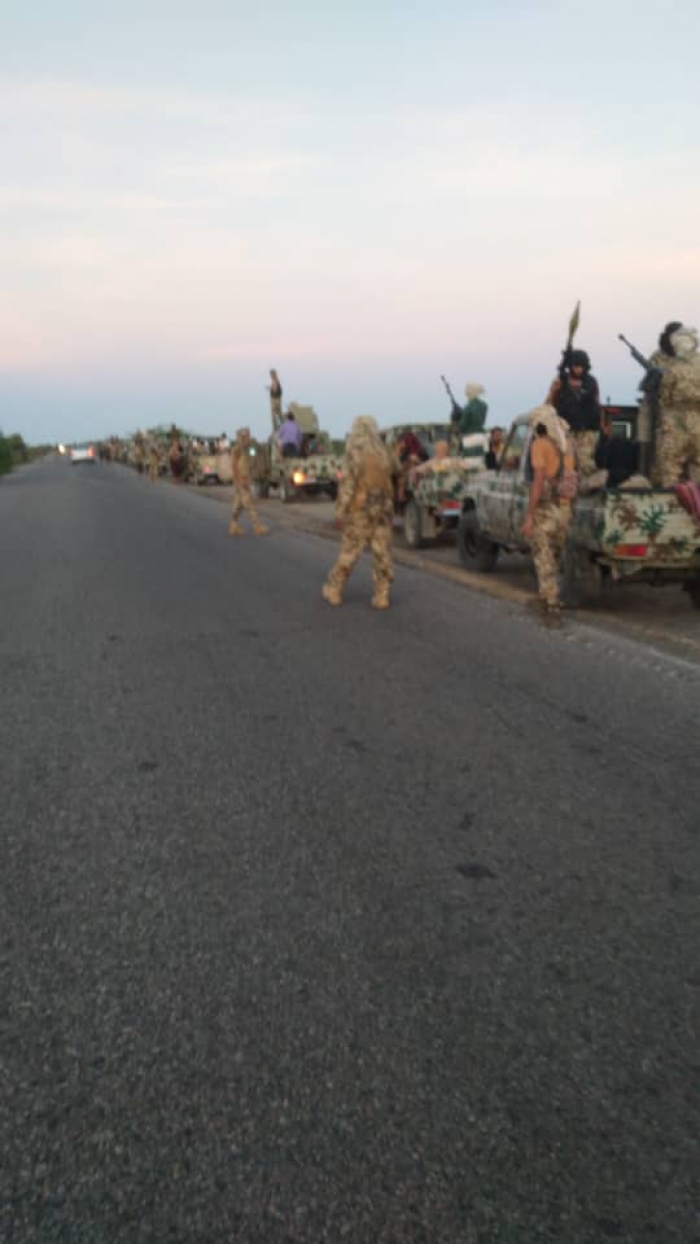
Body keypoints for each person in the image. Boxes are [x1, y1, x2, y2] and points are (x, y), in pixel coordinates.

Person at [322, 415, 395, 610]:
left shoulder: (354, 451)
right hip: (383, 509)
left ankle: (334, 590)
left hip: (360, 510)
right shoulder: (383, 451)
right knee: (382, 553)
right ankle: (382, 595)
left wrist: (340, 511)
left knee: (350, 551)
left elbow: (348, 484)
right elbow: (393, 474)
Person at [522, 404, 575, 625]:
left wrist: (529, 515)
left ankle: (552, 608)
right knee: (554, 555)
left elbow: (538, 482)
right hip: (565, 509)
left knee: (543, 558)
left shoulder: (540, 444)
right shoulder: (568, 445)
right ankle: (545, 599)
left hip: (547, 509)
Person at [649, 323, 700, 486]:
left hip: (675, 422)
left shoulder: (673, 367)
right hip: (697, 420)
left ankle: (671, 498)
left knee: (670, 465)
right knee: (697, 465)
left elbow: (665, 396)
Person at [546, 349, 601, 476]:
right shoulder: (562, 381)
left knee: (584, 463)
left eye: (581, 366)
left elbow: (595, 401)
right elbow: (550, 403)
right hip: (566, 430)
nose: (578, 369)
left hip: (586, 431)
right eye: (575, 365)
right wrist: (555, 389)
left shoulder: (591, 382)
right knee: (565, 465)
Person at [228, 428, 270, 537]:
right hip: (240, 480)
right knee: (249, 503)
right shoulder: (237, 449)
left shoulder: (246, 449)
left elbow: (257, 452)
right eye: (245, 437)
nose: (247, 439)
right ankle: (257, 526)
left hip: (244, 479)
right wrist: (239, 480)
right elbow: (234, 466)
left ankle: (233, 525)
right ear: (240, 438)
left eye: (247, 436)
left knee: (238, 505)